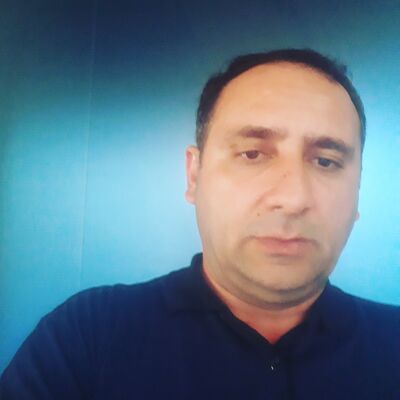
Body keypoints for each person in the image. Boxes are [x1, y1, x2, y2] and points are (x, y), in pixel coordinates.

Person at [1, 48, 399, 399]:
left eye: (326, 161)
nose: (293, 198)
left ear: (357, 191)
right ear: (194, 176)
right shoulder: (88, 336)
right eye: (252, 154)